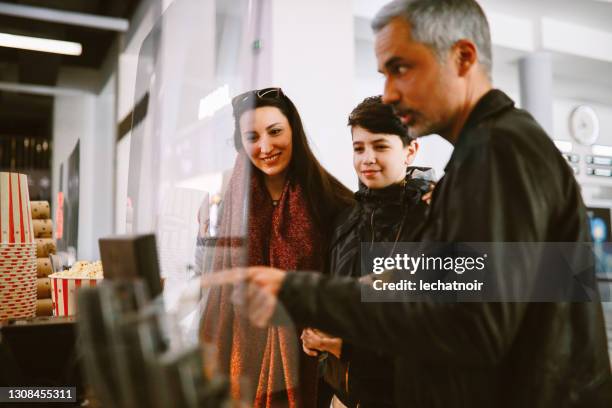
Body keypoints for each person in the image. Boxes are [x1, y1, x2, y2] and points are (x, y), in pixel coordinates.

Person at [215, 1, 612, 407]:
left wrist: (303, 293)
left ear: (462, 57)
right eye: (384, 74)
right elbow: (495, 280)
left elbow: (476, 323)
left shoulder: (497, 150)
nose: (389, 92)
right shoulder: (489, 151)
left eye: (400, 69)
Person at [199, 87, 353, 408]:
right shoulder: (228, 204)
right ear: (240, 144)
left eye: (275, 131)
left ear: (293, 131)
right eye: (252, 137)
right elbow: (213, 280)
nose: (265, 146)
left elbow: (348, 290)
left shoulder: (333, 200)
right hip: (240, 358)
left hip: (311, 364)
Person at [301, 96, 433, 408]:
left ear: (410, 150)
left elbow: (438, 335)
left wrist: (346, 347)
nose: (367, 158)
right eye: (359, 148)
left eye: (380, 146)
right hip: (343, 398)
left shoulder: (435, 219)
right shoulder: (346, 218)